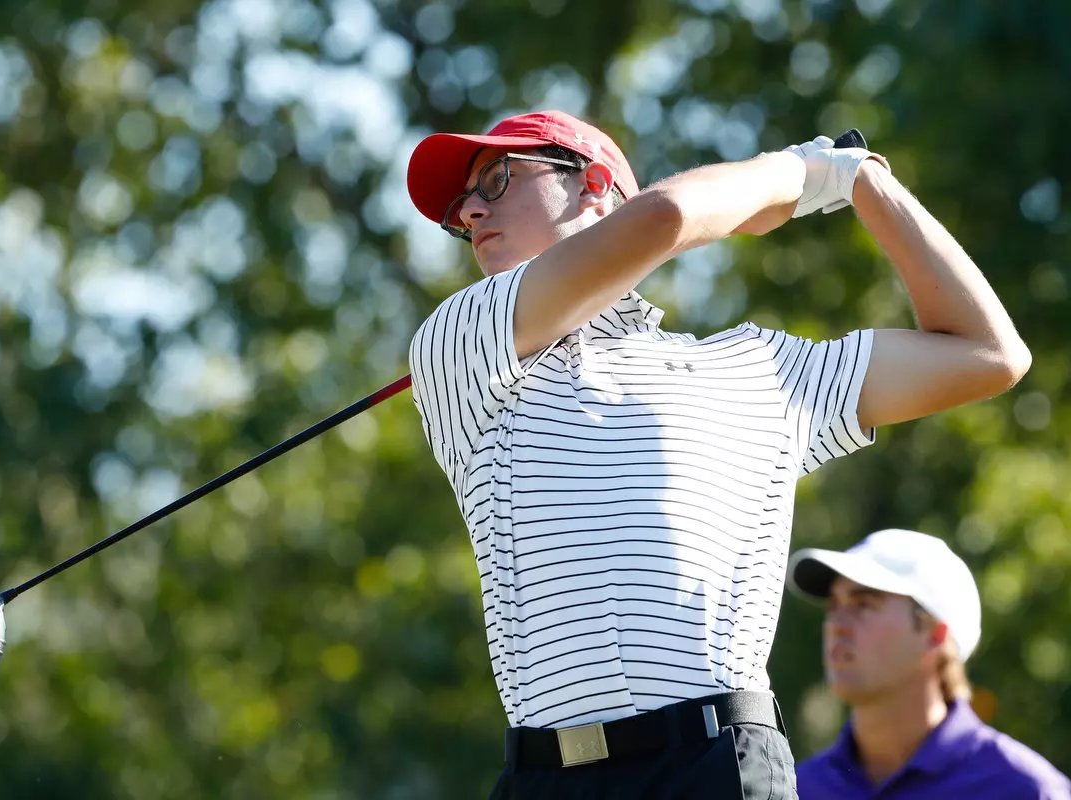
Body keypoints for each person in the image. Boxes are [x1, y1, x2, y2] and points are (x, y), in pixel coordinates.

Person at [403, 108, 1031, 799]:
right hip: (545, 777)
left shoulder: (758, 369)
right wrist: (798, 173)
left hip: (716, 768)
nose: (470, 212)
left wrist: (864, 184)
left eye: (496, 178)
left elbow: (988, 354)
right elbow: (665, 216)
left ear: (596, 184)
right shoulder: (461, 347)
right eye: (459, 210)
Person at [786, 528, 1071, 798]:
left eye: (864, 605)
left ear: (936, 634)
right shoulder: (794, 789)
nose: (836, 625)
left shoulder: (1026, 791)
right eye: (834, 606)